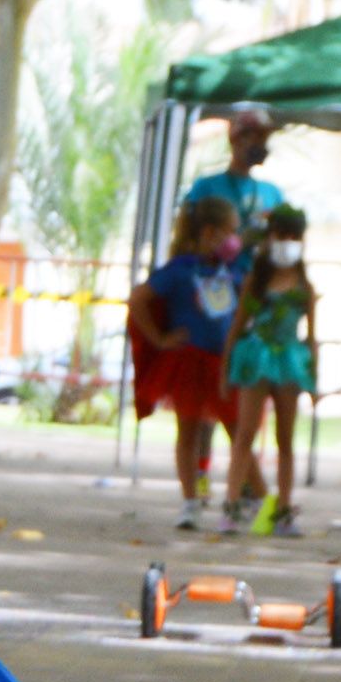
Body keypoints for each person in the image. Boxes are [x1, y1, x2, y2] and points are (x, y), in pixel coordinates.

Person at [128, 195, 265, 529]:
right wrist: (160, 339)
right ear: (209, 233)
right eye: (231, 232)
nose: (235, 240)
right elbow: (138, 300)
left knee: (240, 430)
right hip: (189, 362)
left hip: (226, 363)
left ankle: (260, 496)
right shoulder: (179, 270)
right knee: (187, 430)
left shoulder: (234, 270)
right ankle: (190, 501)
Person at [220, 204, 316, 536]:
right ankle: (231, 505)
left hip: (289, 361)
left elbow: (312, 338)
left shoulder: (305, 286)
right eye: (281, 235)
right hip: (256, 358)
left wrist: (314, 380)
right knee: (245, 435)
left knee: (285, 440)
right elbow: (237, 326)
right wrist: (225, 371)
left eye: (293, 237)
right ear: (269, 237)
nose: (287, 242)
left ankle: (285, 509)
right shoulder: (255, 282)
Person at [183, 108, 285, 266]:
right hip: (213, 279)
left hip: (254, 282)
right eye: (256, 137)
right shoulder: (205, 187)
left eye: (265, 138)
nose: (262, 144)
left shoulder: (272, 193)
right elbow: (187, 238)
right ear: (236, 139)